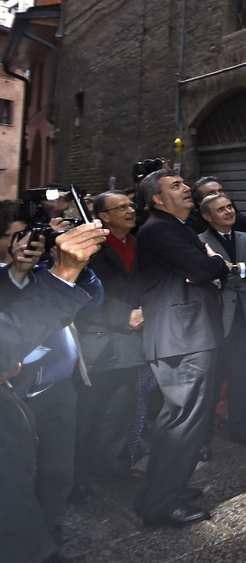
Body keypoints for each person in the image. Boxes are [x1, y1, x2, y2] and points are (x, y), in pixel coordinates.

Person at [1, 223, 107, 563]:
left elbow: (93, 300)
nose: (31, 243)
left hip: (57, 389)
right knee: (17, 486)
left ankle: (41, 547)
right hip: (18, 397)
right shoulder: (7, 279)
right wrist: (19, 272)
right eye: (19, 236)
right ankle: (26, 557)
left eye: (37, 236)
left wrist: (71, 266)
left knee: (56, 472)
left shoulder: (49, 271)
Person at [133, 169, 230, 527]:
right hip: (183, 338)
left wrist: (208, 262)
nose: (187, 189)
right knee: (183, 422)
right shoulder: (160, 229)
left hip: (187, 335)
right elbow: (202, 267)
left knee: (176, 420)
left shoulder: (174, 226)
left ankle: (162, 491)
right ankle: (161, 504)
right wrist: (216, 262)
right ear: (157, 199)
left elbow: (200, 267)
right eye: (176, 186)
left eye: (184, 184)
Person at [73, 191, 145, 485]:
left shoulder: (137, 244)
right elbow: (82, 292)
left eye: (131, 205)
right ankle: (74, 473)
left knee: (119, 407)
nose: (130, 210)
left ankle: (109, 462)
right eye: (121, 207)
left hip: (131, 344)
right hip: (98, 340)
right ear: (103, 216)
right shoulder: (89, 248)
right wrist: (122, 316)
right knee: (88, 410)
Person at [198, 193, 246, 446]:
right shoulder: (200, 242)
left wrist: (233, 268)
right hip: (217, 321)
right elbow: (208, 277)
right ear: (207, 217)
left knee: (242, 378)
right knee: (211, 383)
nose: (228, 211)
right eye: (220, 209)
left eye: (230, 206)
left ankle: (239, 427)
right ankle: (203, 438)